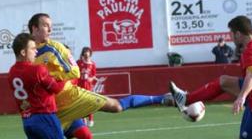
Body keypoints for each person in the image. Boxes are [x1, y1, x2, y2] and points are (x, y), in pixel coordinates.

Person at [29, 13, 171, 131]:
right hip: (50, 107)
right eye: (46, 25)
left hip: (72, 97)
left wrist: (48, 78)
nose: (50, 30)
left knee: (116, 106)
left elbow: (74, 72)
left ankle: (162, 98)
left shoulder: (55, 47)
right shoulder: (28, 52)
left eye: (51, 26)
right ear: (34, 28)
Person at [77, 46, 97, 127]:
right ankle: (83, 119)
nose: (86, 55)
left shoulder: (92, 64)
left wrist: (90, 78)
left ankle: (91, 119)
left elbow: (94, 75)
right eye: (85, 53)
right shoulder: (79, 62)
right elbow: (75, 72)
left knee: (89, 102)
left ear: (90, 54)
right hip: (79, 85)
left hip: (88, 86)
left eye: (88, 53)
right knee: (80, 103)